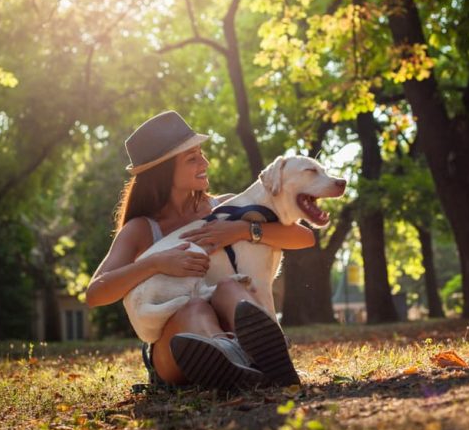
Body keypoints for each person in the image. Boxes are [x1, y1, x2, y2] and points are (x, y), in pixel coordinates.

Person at [86, 111, 314, 390]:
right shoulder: (142, 229)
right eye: (191, 158)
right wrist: (156, 263)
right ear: (164, 170)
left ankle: (246, 366)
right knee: (194, 307)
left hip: (228, 318)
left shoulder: (225, 208)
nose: (204, 162)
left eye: (201, 154)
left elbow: (303, 237)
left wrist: (241, 230)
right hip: (173, 352)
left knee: (231, 289)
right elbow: (96, 293)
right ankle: (234, 358)